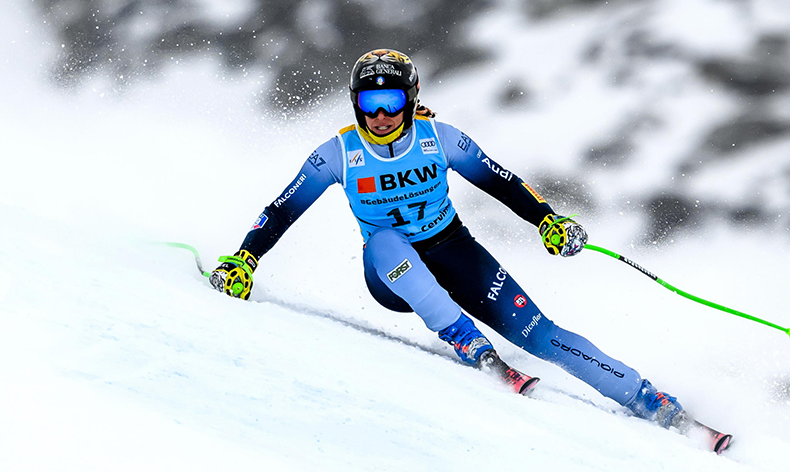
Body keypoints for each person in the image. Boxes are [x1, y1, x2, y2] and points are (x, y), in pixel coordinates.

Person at [211, 48, 695, 437]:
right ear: (353, 102)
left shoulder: (440, 138)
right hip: (392, 273)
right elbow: (282, 209)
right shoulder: (337, 154)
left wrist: (548, 221)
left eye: (393, 104)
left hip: (455, 252)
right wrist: (245, 259)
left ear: (412, 98)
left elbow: (502, 182)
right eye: (369, 105)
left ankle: (649, 399)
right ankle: (465, 339)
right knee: (385, 241)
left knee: (540, 333)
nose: (380, 116)